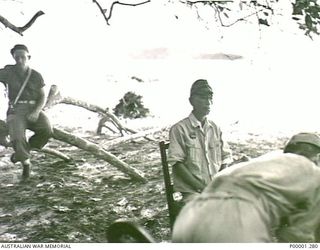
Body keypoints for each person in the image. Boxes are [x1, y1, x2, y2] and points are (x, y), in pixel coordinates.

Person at [172, 132, 320, 243]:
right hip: (237, 222)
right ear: (316, 157)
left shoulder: (268, 160)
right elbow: (296, 237)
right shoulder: (314, 174)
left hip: (190, 217)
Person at [168, 79, 233, 201]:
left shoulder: (215, 128)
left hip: (216, 189)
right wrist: (203, 189)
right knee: (208, 209)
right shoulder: (179, 129)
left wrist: (218, 184)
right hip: (193, 192)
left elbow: (225, 159)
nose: (208, 102)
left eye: (210, 98)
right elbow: (177, 164)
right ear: (191, 101)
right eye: (203, 98)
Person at [0, 44, 52, 178]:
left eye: (23, 57)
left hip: (34, 108)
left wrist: (36, 112)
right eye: (17, 57)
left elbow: (42, 96)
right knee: (17, 137)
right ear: (13, 57)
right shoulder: (8, 72)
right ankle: (26, 165)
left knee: (46, 130)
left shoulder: (36, 75)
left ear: (28, 57)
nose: (20, 60)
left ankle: (21, 153)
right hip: (16, 110)